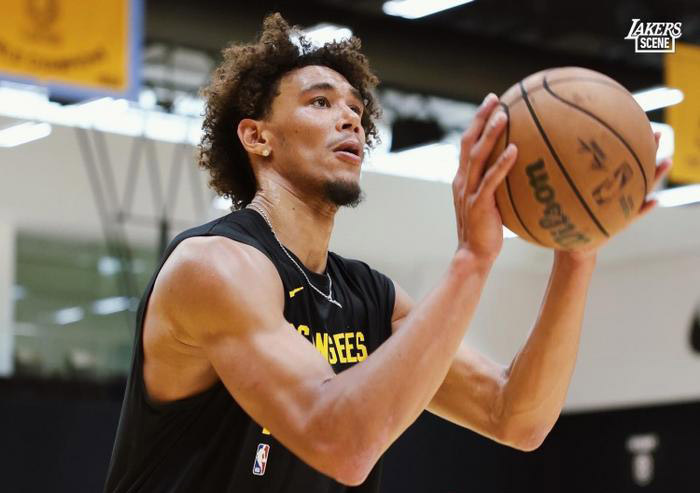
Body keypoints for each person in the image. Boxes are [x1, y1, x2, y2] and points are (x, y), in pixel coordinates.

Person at [103, 13, 670, 493]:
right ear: (257, 137)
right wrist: (472, 259)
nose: (350, 117)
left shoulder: (368, 297)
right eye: (320, 102)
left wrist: (576, 255)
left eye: (355, 108)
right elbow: (341, 444)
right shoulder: (213, 266)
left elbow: (515, 417)